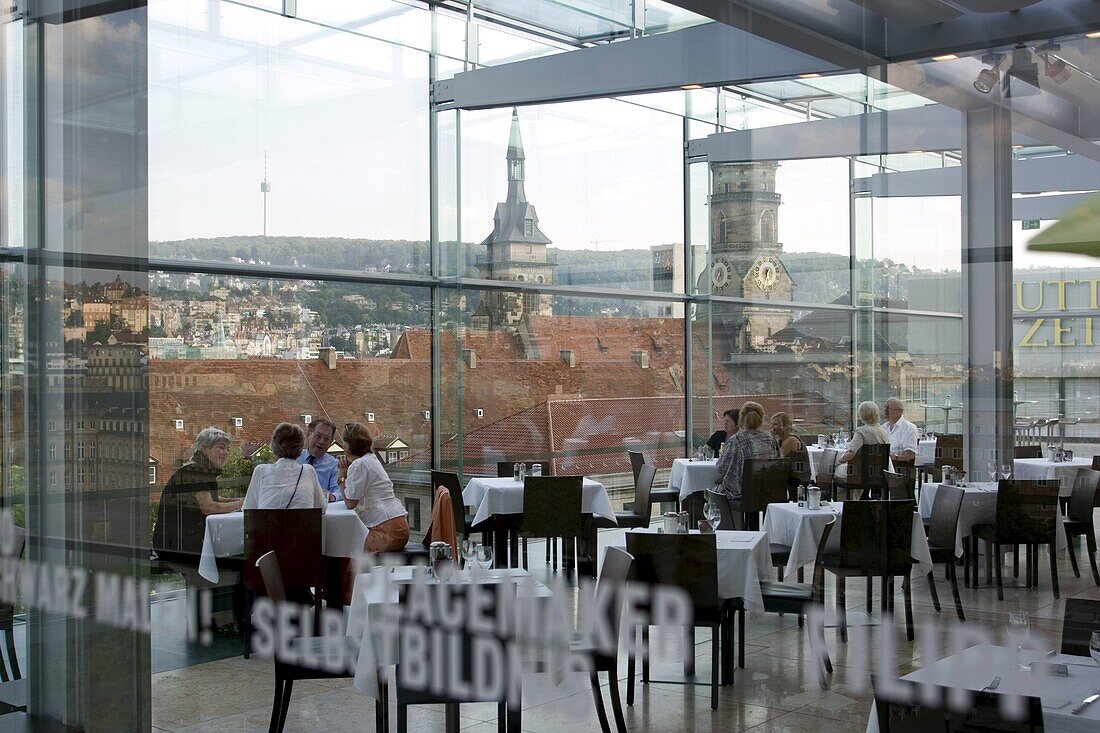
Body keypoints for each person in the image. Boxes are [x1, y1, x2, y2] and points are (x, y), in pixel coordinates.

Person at [153, 427, 242, 570]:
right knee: (238, 556)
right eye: (221, 447)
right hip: (179, 545)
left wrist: (235, 501)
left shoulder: (196, 468)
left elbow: (210, 497)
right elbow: (209, 507)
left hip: (172, 540)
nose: (226, 453)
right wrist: (240, 504)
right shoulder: (198, 471)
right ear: (205, 448)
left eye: (227, 449)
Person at [337, 422, 409, 553]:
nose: (342, 445)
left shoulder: (359, 465)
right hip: (399, 525)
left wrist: (341, 476)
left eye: (344, 442)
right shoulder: (371, 459)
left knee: (348, 552)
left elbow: (350, 503)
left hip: (386, 531)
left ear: (349, 445)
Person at [714, 402, 780, 529]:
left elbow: (721, 468)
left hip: (742, 493)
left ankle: (727, 533)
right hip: (768, 493)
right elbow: (778, 463)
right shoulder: (770, 438)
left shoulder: (736, 440)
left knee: (713, 492)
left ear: (741, 419)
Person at [243, 423, 328, 511]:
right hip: (302, 524)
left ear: (274, 445)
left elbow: (249, 509)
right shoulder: (308, 471)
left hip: (269, 524)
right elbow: (322, 509)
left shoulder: (260, 471)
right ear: (300, 448)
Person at [297, 417, 341, 502]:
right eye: (318, 436)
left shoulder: (334, 465)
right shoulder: (294, 458)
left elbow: (338, 490)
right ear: (309, 434)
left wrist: (332, 497)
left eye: (326, 439)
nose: (321, 441)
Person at [882, 397, 918, 464]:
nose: (885, 411)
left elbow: (910, 456)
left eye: (888, 408)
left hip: (899, 468)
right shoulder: (883, 428)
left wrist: (895, 457)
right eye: (885, 408)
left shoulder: (909, 428)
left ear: (899, 411)